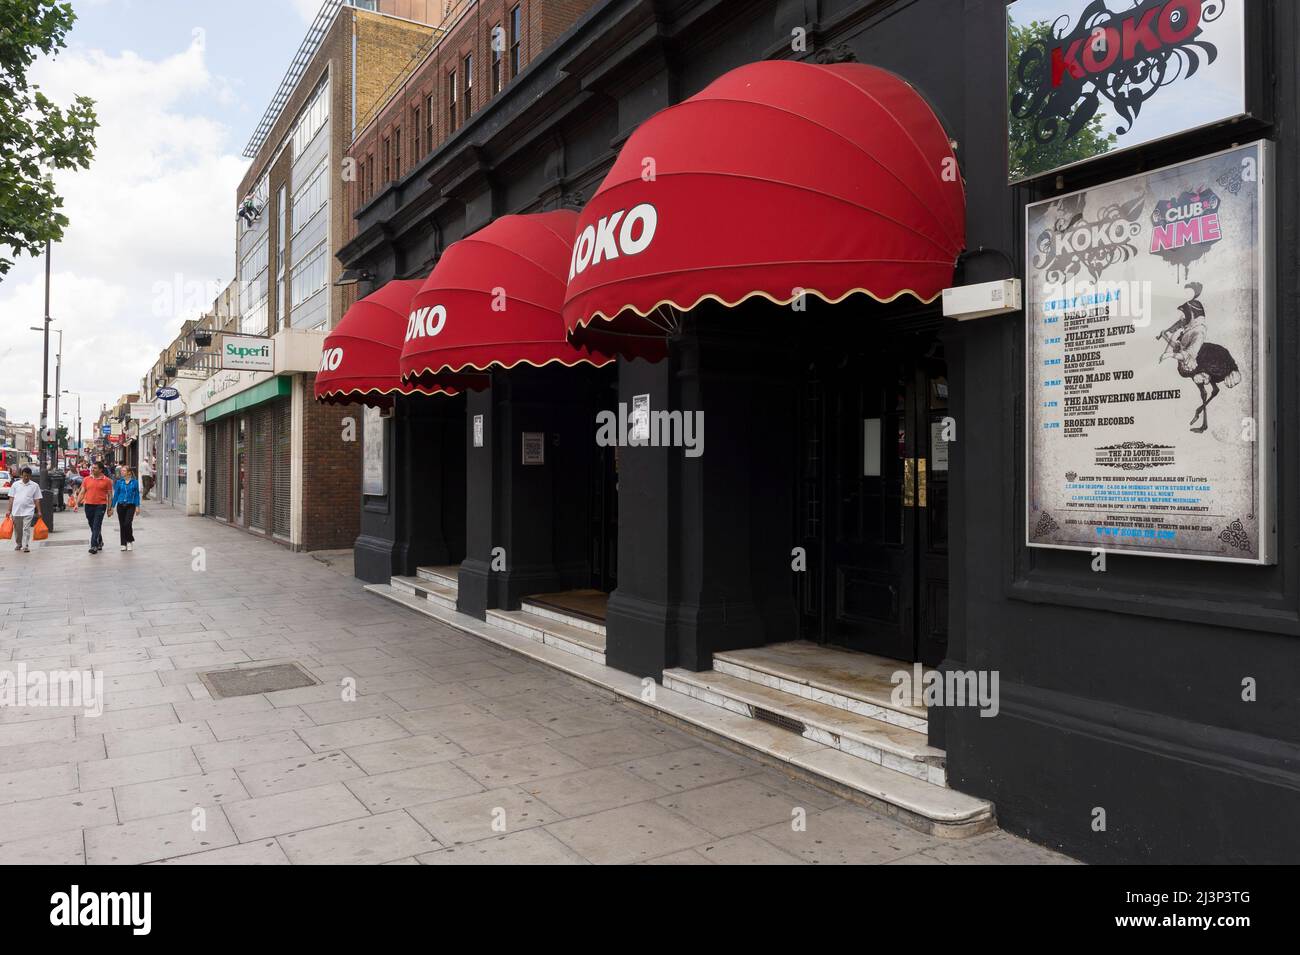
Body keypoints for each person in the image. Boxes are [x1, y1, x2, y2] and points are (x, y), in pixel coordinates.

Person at [76, 461, 113, 554]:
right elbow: (82, 492)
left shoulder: (107, 481)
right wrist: (77, 503)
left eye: (95, 468)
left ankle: (94, 545)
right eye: (92, 467)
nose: (92, 469)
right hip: (88, 505)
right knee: (92, 525)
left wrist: (109, 508)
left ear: (101, 470)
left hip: (101, 505)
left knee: (96, 525)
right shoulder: (86, 479)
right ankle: (100, 541)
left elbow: (110, 495)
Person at [6, 467, 44, 554]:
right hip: (16, 511)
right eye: (24, 476)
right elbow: (11, 498)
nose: (26, 478)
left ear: (30, 476)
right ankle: (19, 543)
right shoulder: (15, 485)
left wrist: (39, 511)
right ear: (21, 475)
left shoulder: (35, 486)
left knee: (26, 528)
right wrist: (9, 510)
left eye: (28, 476)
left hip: (28, 511)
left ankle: (25, 545)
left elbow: (37, 499)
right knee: (18, 529)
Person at [110, 465, 140, 552]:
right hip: (120, 505)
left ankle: (130, 540)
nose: (121, 472)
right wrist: (112, 506)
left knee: (127, 523)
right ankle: (123, 543)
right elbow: (116, 495)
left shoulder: (135, 482)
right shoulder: (119, 482)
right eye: (121, 471)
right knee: (122, 525)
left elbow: (137, 495)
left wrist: (137, 506)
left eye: (123, 471)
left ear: (129, 472)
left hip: (131, 505)